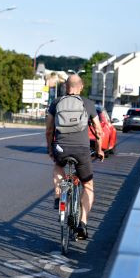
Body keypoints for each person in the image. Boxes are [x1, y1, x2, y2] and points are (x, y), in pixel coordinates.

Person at [45, 74, 103, 240]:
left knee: (58, 166)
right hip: (82, 150)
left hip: (61, 148)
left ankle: (58, 197)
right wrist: (99, 149)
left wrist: (50, 149)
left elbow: (49, 130)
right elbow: (98, 131)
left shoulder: (56, 103)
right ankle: (82, 224)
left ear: (65, 87)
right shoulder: (88, 103)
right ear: (81, 87)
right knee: (88, 186)